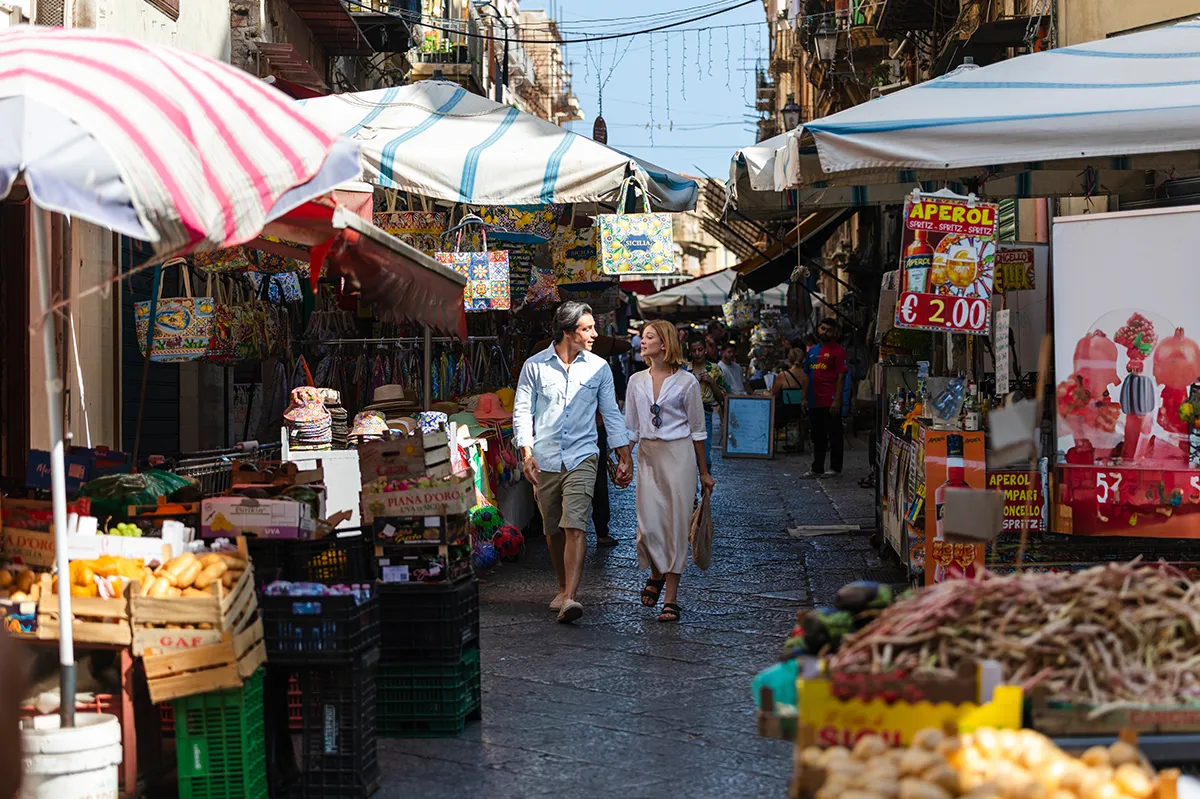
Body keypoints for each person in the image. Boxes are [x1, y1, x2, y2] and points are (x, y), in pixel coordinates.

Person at [514, 302, 633, 623]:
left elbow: (611, 412)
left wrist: (624, 453)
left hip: (583, 455)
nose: (595, 334)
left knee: (575, 525)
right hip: (545, 457)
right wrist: (526, 453)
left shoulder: (599, 368)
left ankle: (570, 597)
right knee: (552, 528)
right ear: (567, 332)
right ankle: (563, 586)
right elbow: (522, 412)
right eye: (587, 328)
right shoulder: (535, 367)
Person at [625, 320, 714, 623]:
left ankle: (671, 598)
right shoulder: (636, 380)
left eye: (648, 337)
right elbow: (632, 428)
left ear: (664, 344)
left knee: (676, 525)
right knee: (647, 526)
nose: (642, 341)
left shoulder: (687, 382)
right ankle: (656, 571)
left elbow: (698, 431)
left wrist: (704, 473)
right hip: (648, 455)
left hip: (679, 456)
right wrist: (624, 458)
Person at [803, 318, 848, 478]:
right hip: (814, 400)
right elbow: (807, 376)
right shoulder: (812, 352)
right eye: (823, 328)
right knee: (817, 435)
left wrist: (837, 400)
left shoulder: (838, 351)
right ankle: (817, 467)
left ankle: (835, 468)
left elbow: (841, 376)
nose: (825, 332)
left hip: (830, 400)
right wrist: (804, 397)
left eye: (829, 329)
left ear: (835, 332)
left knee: (834, 434)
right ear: (818, 329)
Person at [684, 335, 727, 469]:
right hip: (685, 415)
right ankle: (691, 487)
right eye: (694, 351)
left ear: (705, 350)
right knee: (686, 454)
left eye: (700, 350)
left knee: (705, 452)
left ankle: (705, 483)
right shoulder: (684, 370)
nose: (697, 354)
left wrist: (712, 383)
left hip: (705, 413)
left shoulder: (714, 369)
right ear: (690, 352)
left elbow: (722, 398)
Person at [772, 348, 808, 453]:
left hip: (784, 412)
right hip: (798, 412)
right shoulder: (806, 376)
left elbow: (773, 393)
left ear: (789, 359)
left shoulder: (783, 375)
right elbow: (803, 396)